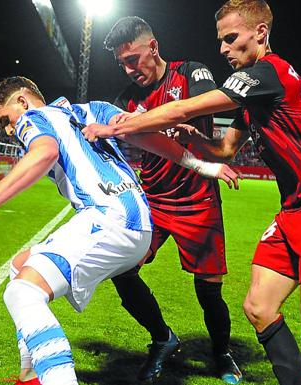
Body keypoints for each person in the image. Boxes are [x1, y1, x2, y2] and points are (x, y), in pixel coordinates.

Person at [83, 1, 301, 384]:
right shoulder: (254, 98)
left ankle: (237, 358)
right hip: (293, 208)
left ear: (260, 33)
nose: (223, 49)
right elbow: (226, 150)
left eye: (231, 39)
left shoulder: (267, 73)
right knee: (259, 307)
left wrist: (116, 128)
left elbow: (185, 107)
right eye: (221, 41)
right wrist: (197, 141)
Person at [0, 76, 240, 385]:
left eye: (6, 119)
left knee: (24, 292)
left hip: (110, 219)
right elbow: (144, 137)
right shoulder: (92, 109)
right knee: (19, 267)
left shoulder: (33, 117)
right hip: (139, 222)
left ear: (22, 101)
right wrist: (206, 166)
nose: (8, 129)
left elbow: (45, 153)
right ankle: (30, 375)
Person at [102, 16, 241, 383]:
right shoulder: (126, 100)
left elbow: (206, 104)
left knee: (209, 290)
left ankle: (222, 355)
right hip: (153, 203)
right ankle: (161, 339)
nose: (130, 69)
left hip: (198, 200)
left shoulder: (190, 73)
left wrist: (187, 125)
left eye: (133, 59)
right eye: (123, 64)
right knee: (122, 269)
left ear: (153, 47)